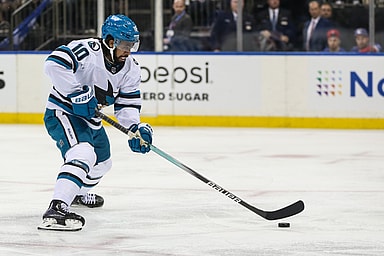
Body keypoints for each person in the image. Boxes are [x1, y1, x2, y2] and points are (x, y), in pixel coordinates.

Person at [38, 14, 153, 231]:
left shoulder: (131, 68)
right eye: (125, 45)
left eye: (132, 45)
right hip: (63, 112)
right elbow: (53, 65)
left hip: (91, 119)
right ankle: (57, 207)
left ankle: (78, 194)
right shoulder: (87, 50)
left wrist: (134, 128)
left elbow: (127, 106)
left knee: (102, 163)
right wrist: (76, 93)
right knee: (83, 154)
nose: (129, 50)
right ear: (110, 41)